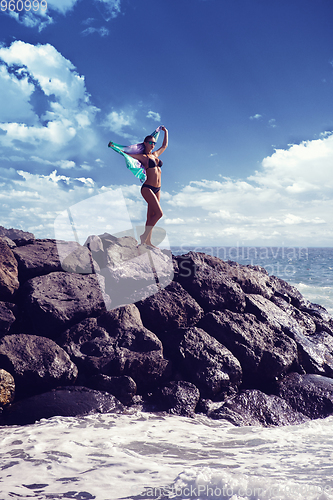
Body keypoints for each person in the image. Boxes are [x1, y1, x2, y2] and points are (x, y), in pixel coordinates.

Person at [120, 126, 168, 247]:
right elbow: (125, 153)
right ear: (145, 143)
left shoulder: (156, 155)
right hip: (147, 188)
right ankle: (144, 236)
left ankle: (147, 242)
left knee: (151, 216)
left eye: (154, 143)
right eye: (151, 143)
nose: (153, 145)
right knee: (159, 214)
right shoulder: (143, 157)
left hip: (158, 189)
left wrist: (165, 132)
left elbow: (164, 146)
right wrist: (114, 146)